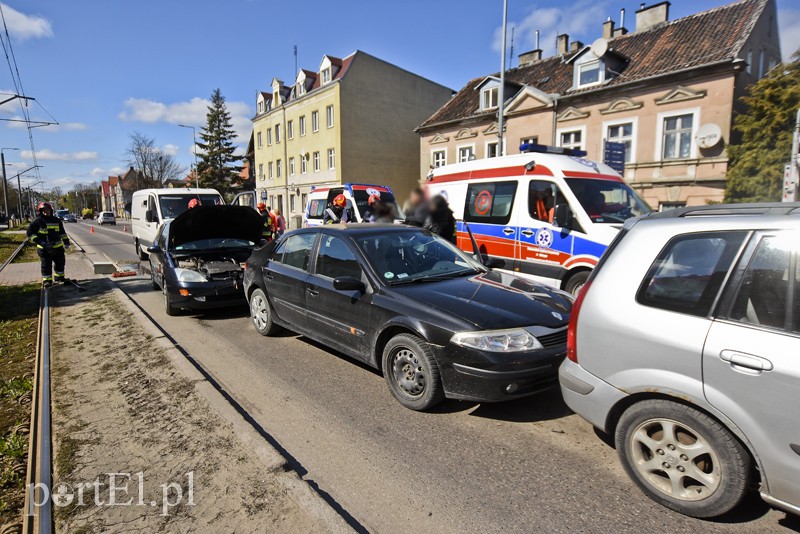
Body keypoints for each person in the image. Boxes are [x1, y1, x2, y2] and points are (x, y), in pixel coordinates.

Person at [27, 202, 70, 287]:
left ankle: (59, 277)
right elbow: (30, 233)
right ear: (40, 211)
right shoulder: (37, 221)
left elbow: (62, 233)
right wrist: (40, 242)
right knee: (46, 265)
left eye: (47, 209)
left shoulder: (56, 220)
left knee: (60, 263)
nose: (45, 211)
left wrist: (66, 242)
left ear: (50, 210)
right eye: (43, 210)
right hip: (44, 249)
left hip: (57, 247)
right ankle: (47, 281)